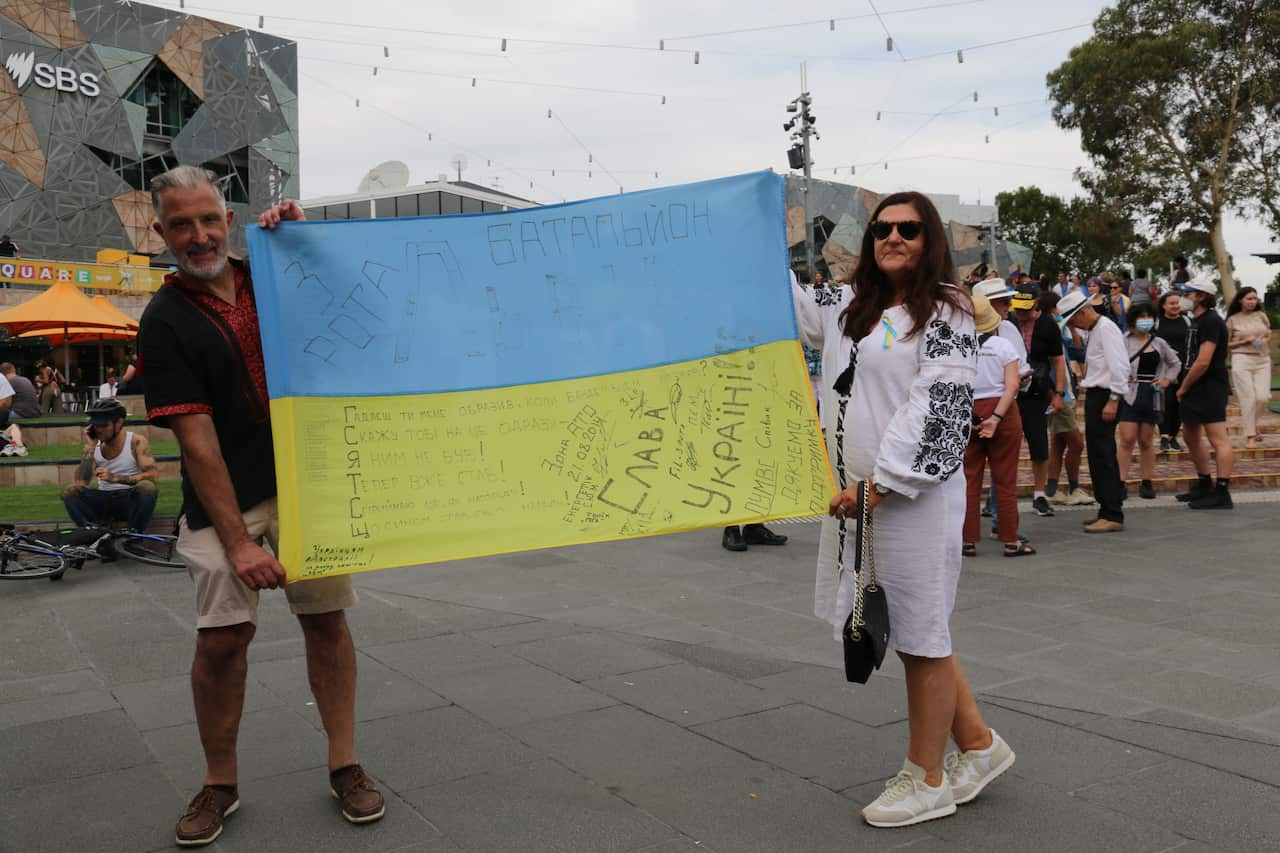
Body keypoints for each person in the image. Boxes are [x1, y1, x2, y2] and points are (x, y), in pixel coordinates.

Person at [138, 165, 383, 847]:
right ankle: (220, 780)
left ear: (229, 217)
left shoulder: (274, 271)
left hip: (308, 486)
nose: (198, 235)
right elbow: (197, 441)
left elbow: (361, 313)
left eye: (208, 218)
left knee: (326, 618)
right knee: (222, 639)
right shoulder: (162, 322)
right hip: (226, 500)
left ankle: (345, 762)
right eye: (181, 224)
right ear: (160, 232)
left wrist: (309, 247)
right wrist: (239, 542)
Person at [798, 191, 1014, 829]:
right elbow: (780, 304)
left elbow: (939, 403)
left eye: (909, 229)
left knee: (920, 635)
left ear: (930, 240)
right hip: (858, 501)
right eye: (882, 229)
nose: (893, 237)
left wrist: (881, 482)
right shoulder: (848, 307)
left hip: (911, 499)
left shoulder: (946, 311)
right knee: (921, 632)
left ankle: (924, 779)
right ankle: (976, 745)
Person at [963, 295, 1033, 557]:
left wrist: (972, 416)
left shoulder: (959, 347)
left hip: (969, 412)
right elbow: (1013, 384)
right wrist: (997, 417)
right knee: (1005, 479)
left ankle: (967, 539)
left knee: (969, 479)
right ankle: (1010, 539)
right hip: (1003, 411)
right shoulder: (1003, 346)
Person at [1060, 291, 1128, 533]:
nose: (1075, 326)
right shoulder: (1097, 329)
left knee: (1104, 453)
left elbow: (1119, 365)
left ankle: (1112, 513)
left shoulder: (1106, 328)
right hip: (1099, 394)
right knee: (1099, 454)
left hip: (1106, 395)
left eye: (1074, 321)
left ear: (1082, 313)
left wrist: (1114, 399)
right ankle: (1106, 508)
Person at [1176, 276, 1235, 508]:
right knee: (1190, 435)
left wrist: (1184, 387)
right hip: (1194, 386)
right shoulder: (1196, 320)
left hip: (1209, 386)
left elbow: (1203, 361)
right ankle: (1204, 483)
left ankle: (1222, 491)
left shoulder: (1211, 321)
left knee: (1217, 438)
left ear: (1201, 296)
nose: (1184, 298)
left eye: (1188, 294)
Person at [60, 398, 160, 531]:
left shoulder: (136, 441)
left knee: (147, 487)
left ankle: (133, 538)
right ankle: (93, 534)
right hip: (104, 500)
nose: (99, 430)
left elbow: (153, 476)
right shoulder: (93, 445)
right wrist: (90, 446)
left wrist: (116, 478)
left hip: (129, 499)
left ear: (119, 422)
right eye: (96, 425)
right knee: (70, 491)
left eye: (104, 425)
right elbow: (81, 482)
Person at [1115, 303, 1181, 500]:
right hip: (1129, 394)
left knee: (1146, 441)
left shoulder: (1159, 342)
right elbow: (1113, 362)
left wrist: (1167, 380)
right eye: (1141, 316)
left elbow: (1175, 363)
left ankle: (1147, 481)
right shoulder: (1123, 341)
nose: (1146, 320)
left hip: (1152, 394)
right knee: (1126, 439)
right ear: (1133, 320)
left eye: (1149, 316)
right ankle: (1120, 482)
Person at [1011, 288, 1066, 517]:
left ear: (1036, 305)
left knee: (1039, 444)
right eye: (1018, 310)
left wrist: (1059, 392)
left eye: (1026, 310)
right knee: (1005, 445)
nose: (1021, 314)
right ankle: (997, 496)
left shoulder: (1047, 324)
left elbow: (1058, 361)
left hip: (1036, 393)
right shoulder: (1008, 323)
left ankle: (1040, 494)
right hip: (1009, 393)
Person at [1041, 292, 1092, 506]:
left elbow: (1079, 353)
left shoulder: (1059, 332)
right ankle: (1074, 488)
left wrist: (1071, 328)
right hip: (1059, 396)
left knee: (1059, 443)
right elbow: (1043, 369)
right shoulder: (1044, 333)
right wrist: (1054, 395)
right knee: (1077, 443)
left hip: (1067, 394)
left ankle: (1051, 489)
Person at [1226, 286, 1272, 449]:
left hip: (1262, 359)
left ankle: (1253, 425)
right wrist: (1243, 342)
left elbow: (1268, 334)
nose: (1252, 302)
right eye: (1249, 299)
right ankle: (1250, 435)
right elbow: (1226, 344)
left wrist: (1265, 341)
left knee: (1263, 397)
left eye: (1254, 298)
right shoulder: (1232, 320)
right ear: (1241, 300)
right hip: (1241, 359)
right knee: (1249, 398)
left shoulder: (1261, 315)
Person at [1154, 291, 1191, 451]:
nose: (1175, 306)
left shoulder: (1186, 321)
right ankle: (1163, 436)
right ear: (1163, 305)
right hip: (1163, 368)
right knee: (1164, 402)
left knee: (1178, 402)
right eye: (1172, 303)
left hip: (1183, 368)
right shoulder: (1157, 322)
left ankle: (1173, 436)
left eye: (1177, 303)